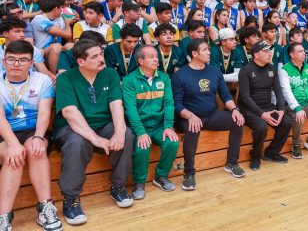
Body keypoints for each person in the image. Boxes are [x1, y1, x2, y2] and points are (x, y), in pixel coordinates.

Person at [52, 40, 134, 225]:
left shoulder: (110, 74)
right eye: (95, 56)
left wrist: (119, 132)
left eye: (101, 54)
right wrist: (96, 139)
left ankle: (118, 186)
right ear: (81, 62)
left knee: (127, 135)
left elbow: (116, 105)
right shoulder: (66, 78)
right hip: (71, 128)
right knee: (77, 143)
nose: (101, 59)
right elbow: (70, 113)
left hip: (103, 124)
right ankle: (71, 199)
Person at [0, 41, 62, 231]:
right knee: (14, 157)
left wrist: (38, 137)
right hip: (4, 131)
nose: (16, 64)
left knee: (36, 150)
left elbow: (44, 113)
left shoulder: (41, 80)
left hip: (33, 130)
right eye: (11, 59)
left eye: (23, 60)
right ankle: (4, 216)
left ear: (31, 63)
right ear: (4, 61)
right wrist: (12, 143)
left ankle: (45, 207)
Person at [172, 39, 246, 191]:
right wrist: (190, 116)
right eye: (205, 49)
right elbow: (177, 103)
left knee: (237, 121)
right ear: (194, 54)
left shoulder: (214, 71)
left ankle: (232, 163)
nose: (209, 52)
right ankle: (189, 173)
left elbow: (225, 95)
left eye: (208, 49)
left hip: (211, 115)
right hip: (188, 117)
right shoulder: (180, 75)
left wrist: (235, 110)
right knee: (193, 129)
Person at [123, 46, 180, 200]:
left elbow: (169, 103)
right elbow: (130, 110)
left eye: (156, 56)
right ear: (140, 61)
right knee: (143, 148)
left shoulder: (164, 77)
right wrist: (141, 132)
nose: (156, 59)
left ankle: (160, 176)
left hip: (159, 125)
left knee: (173, 142)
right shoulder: (129, 80)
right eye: (150, 57)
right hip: (139, 126)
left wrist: (168, 126)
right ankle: (139, 183)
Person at [237, 41, 291, 171]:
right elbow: (244, 97)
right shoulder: (245, 70)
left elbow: (278, 91)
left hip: (266, 105)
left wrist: (281, 110)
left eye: (269, 51)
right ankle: (255, 156)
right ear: (256, 55)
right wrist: (262, 114)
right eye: (265, 51)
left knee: (286, 122)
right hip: (248, 108)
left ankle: (271, 153)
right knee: (261, 127)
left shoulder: (272, 68)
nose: (269, 54)